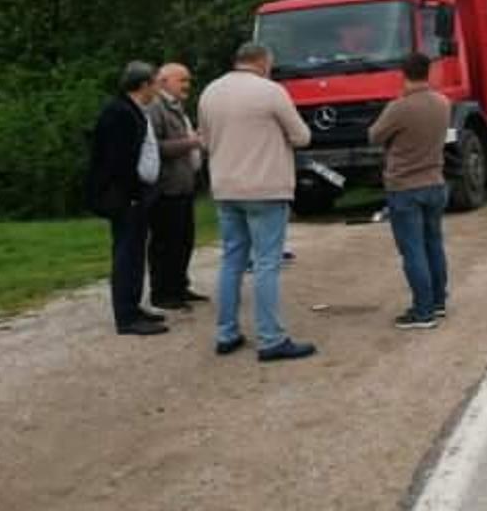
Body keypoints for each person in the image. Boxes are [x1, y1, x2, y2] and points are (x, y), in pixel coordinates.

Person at [199, 42, 316, 361]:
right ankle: (270, 337)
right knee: (267, 263)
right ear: (263, 62)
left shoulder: (210, 91)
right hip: (265, 186)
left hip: (225, 186)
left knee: (232, 260)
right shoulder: (270, 91)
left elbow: (205, 140)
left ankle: (226, 332)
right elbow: (301, 135)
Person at [368, 52, 451, 330]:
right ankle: (438, 302)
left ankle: (422, 310)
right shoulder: (442, 102)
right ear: (428, 72)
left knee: (412, 250)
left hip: (405, 186)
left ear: (403, 74)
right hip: (435, 181)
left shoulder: (399, 107)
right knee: (434, 244)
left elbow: (375, 135)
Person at [88, 61, 168, 336]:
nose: (158, 88)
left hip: (135, 194)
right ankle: (126, 315)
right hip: (124, 197)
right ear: (144, 84)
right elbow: (118, 160)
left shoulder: (133, 110)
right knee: (126, 253)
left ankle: (133, 305)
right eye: (156, 83)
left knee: (135, 252)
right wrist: (132, 194)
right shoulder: (119, 113)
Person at [145, 63, 208, 310]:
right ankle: (162, 293)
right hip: (165, 188)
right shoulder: (155, 107)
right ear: (163, 81)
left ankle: (180, 286)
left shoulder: (176, 107)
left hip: (183, 186)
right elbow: (155, 147)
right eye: (182, 80)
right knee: (164, 242)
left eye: (188, 80)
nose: (187, 86)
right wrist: (190, 143)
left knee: (184, 240)